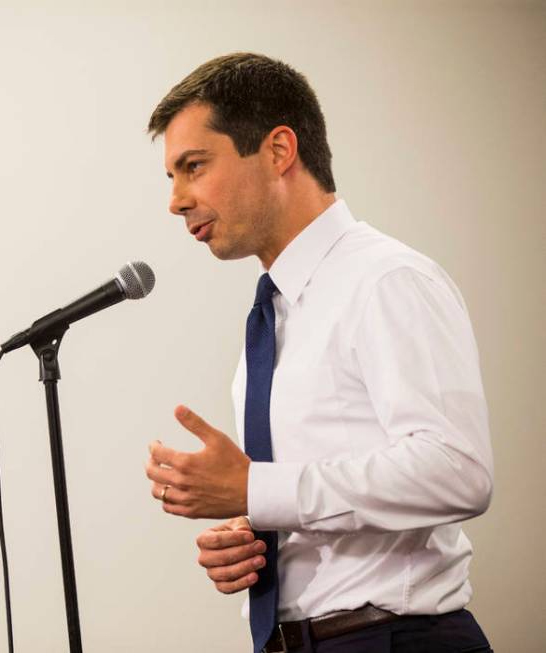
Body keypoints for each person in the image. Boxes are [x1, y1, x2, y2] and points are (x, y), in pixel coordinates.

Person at [143, 53, 494, 653]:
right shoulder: (274, 314)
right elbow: (312, 489)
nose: (176, 200)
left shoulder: (386, 279)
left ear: (280, 151)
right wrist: (251, 531)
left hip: (392, 639)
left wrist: (258, 491)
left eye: (193, 167)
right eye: (172, 177)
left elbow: (458, 470)